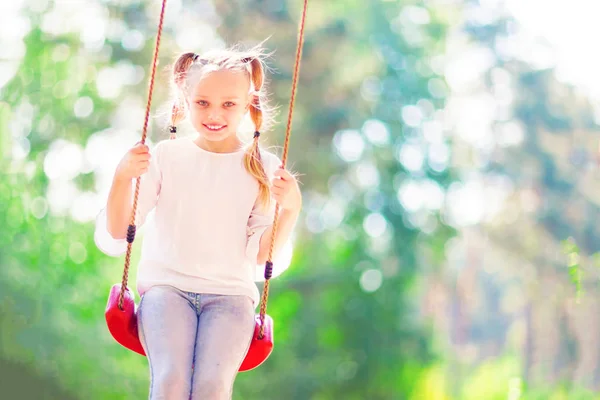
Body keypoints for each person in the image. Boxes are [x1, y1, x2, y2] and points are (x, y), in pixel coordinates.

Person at [94, 44, 302, 400]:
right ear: (184, 100)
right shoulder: (166, 156)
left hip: (230, 298)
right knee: (171, 381)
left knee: (211, 388)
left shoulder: (263, 168)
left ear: (248, 103)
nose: (214, 114)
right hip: (167, 290)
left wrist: (290, 211)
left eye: (228, 104)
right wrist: (121, 178)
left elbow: (260, 258)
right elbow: (117, 232)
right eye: (202, 102)